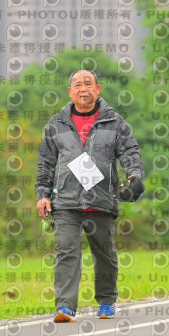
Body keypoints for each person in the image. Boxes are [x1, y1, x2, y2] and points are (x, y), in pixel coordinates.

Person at [35, 69, 145, 322]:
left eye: (88, 84)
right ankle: (65, 307)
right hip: (66, 201)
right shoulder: (56, 124)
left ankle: (106, 301)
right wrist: (42, 194)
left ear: (98, 89)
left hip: (102, 198)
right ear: (69, 91)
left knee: (105, 254)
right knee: (66, 252)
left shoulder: (115, 122)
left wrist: (134, 177)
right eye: (77, 85)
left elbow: (130, 153)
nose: (83, 88)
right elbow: (46, 163)